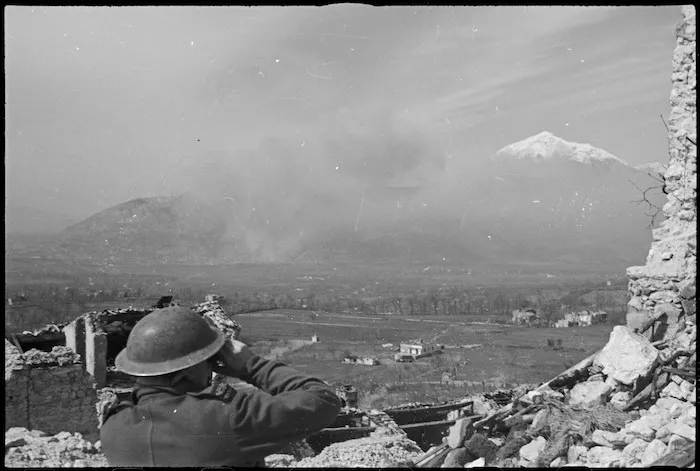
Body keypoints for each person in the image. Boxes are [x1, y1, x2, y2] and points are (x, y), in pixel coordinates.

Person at [100, 305, 341, 467]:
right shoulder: (226, 418)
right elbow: (323, 399)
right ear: (190, 370)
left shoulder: (113, 428)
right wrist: (251, 365)